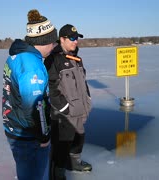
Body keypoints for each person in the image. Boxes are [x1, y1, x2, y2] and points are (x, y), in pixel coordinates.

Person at [2, 9, 57, 180]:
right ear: (45, 41)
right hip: (28, 136)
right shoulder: (32, 66)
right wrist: (43, 137)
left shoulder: (17, 56)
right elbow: (35, 106)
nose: (55, 46)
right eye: (53, 41)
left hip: (13, 127)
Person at [44, 24, 92, 180]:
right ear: (62, 39)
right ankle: (57, 174)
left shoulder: (77, 58)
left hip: (79, 110)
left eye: (76, 38)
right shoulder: (53, 59)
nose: (75, 41)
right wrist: (65, 108)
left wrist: (88, 99)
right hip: (63, 115)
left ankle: (74, 163)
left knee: (79, 139)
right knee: (61, 147)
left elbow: (83, 83)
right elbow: (51, 89)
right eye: (72, 38)